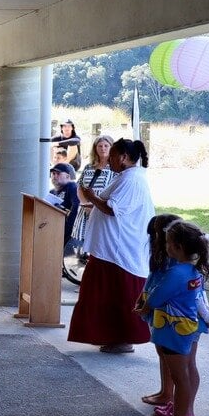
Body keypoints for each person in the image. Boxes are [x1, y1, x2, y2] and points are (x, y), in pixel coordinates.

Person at [68, 138, 155, 353]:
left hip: (119, 250)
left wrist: (92, 197)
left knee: (119, 295)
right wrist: (94, 202)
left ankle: (123, 338)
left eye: (113, 155)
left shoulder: (132, 179)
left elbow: (113, 209)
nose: (109, 161)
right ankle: (110, 335)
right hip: (109, 249)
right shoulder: (127, 177)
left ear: (124, 157)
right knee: (105, 295)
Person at [138, 221, 209, 416]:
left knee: (181, 377)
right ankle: (179, 413)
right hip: (183, 327)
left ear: (178, 247)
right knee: (184, 374)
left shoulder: (176, 273)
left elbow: (158, 297)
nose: (165, 246)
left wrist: (144, 308)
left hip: (173, 330)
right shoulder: (191, 270)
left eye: (168, 242)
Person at [138, 213, 183, 410]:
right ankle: (165, 390)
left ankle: (169, 395)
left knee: (171, 357)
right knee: (161, 352)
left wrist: (147, 304)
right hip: (159, 313)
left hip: (169, 315)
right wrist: (142, 298)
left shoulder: (175, 262)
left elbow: (163, 289)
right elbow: (151, 281)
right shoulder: (162, 257)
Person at [71, 136, 116, 252]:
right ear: (95, 148)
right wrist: (85, 204)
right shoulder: (89, 167)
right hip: (86, 209)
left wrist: (97, 205)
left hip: (103, 209)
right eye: (100, 146)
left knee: (101, 244)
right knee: (84, 246)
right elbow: (80, 187)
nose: (103, 148)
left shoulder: (115, 168)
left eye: (106, 146)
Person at [46, 163, 80, 246]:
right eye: (53, 173)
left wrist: (68, 229)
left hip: (69, 235)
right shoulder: (51, 192)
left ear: (68, 176)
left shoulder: (72, 187)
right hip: (54, 232)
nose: (55, 176)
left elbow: (76, 208)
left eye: (58, 173)